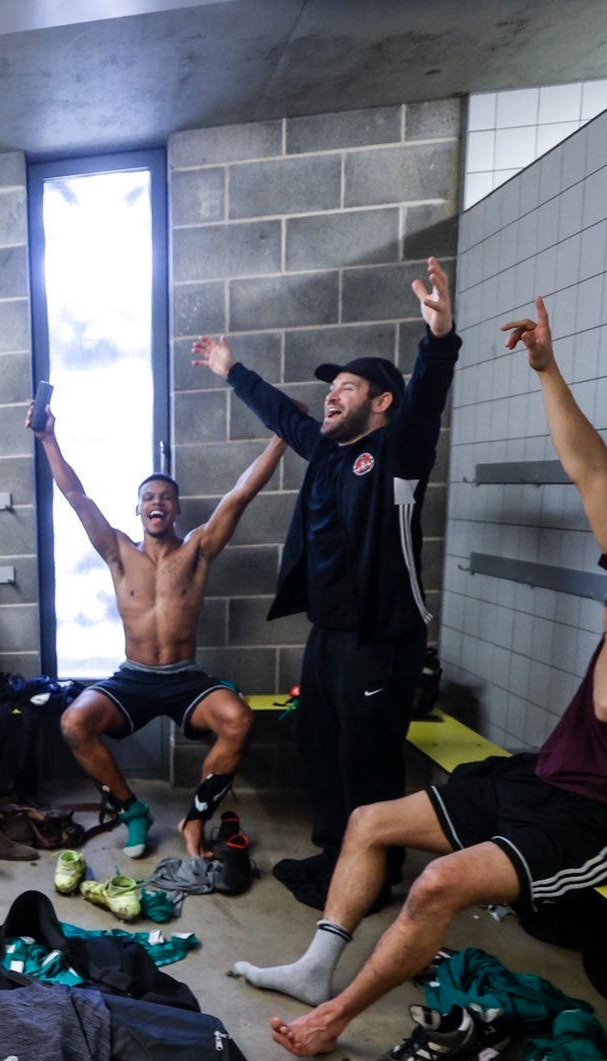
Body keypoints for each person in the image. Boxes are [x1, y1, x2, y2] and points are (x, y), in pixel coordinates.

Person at [233, 295, 607, 1061]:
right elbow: (589, 468)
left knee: (434, 886)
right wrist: (546, 367)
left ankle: (333, 1018)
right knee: (370, 822)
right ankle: (313, 968)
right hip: (546, 778)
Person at [191, 257, 460, 902]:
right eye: (331, 387)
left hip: (380, 638)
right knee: (319, 746)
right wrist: (233, 371)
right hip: (330, 635)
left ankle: (373, 873)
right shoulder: (329, 453)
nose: (332, 395)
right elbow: (285, 416)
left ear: (382, 401)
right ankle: (337, 857)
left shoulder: (399, 454)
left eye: (346, 387)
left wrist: (439, 339)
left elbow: (426, 402)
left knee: (365, 762)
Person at [33, 411, 286, 859]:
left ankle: (196, 818)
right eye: (149, 496)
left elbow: (241, 494)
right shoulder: (116, 551)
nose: (158, 502)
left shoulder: (198, 550)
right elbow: (75, 495)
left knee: (239, 721)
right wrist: (48, 439)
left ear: (176, 508)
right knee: (74, 722)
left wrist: (282, 437)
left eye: (166, 497)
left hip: (186, 676)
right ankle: (133, 812)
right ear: (138, 509)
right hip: (134, 677)